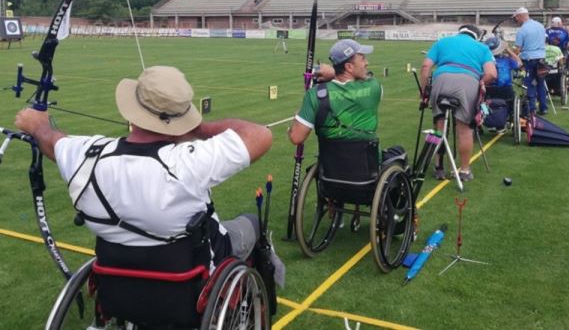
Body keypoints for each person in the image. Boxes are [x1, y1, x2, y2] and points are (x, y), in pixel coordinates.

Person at [14, 66, 282, 277]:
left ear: (131, 114)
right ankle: (252, 304)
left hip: (118, 278)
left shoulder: (88, 154)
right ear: (181, 119)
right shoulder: (189, 163)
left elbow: (53, 142)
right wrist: (199, 130)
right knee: (252, 222)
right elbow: (260, 135)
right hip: (189, 275)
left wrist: (37, 126)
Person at [420, 24, 497, 182]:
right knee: (464, 130)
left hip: (441, 80)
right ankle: (464, 171)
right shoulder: (482, 48)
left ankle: (439, 168)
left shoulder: (443, 42)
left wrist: (424, 91)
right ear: (476, 36)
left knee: (438, 128)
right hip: (468, 82)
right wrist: (481, 82)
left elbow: (426, 66)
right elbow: (492, 74)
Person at [288, 39, 382, 145]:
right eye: (363, 59)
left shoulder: (315, 94)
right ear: (349, 67)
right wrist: (332, 73)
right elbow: (366, 77)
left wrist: (297, 118)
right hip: (367, 160)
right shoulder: (374, 87)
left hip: (330, 160)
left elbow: (296, 138)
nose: (367, 63)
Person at [512, 7, 548, 116]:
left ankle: (531, 109)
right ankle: (543, 108)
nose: (516, 20)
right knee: (541, 83)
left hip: (529, 59)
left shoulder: (522, 30)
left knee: (529, 84)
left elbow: (517, 49)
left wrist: (510, 53)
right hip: (541, 58)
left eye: (516, 18)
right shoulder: (540, 26)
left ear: (520, 16)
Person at [485, 36, 522, 101]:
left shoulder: (485, 61)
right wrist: (508, 50)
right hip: (505, 90)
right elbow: (519, 63)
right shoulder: (507, 60)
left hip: (488, 90)